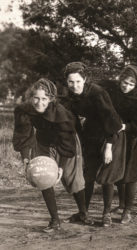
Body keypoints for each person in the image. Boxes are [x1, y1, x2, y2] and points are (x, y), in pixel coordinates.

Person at [13, 78, 89, 233]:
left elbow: (67, 142)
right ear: (31, 97)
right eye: (36, 98)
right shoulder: (25, 110)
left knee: (72, 179)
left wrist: (61, 167)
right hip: (43, 143)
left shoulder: (61, 114)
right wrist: (26, 158)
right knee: (43, 177)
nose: (39, 102)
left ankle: (83, 213)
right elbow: (24, 135)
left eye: (44, 99)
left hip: (66, 143)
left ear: (51, 99)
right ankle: (55, 220)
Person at [61, 62, 125, 227]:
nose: (74, 86)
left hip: (109, 136)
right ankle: (83, 212)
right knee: (86, 177)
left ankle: (106, 214)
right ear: (66, 82)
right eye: (70, 82)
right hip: (88, 138)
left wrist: (109, 147)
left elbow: (111, 121)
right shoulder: (68, 96)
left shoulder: (98, 93)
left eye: (78, 82)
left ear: (85, 79)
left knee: (106, 176)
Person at [108, 65, 137, 224]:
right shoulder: (115, 95)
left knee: (131, 175)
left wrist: (127, 126)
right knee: (119, 171)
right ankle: (121, 205)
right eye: (124, 82)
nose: (126, 86)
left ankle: (128, 210)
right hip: (120, 138)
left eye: (131, 84)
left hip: (136, 140)